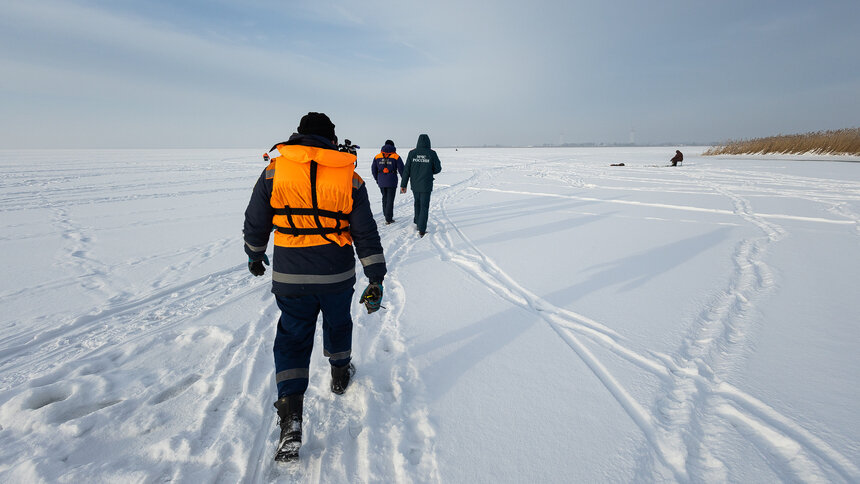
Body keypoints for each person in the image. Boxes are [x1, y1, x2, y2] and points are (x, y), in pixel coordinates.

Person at [242, 112, 386, 461]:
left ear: (298, 136)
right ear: (331, 139)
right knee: (338, 323)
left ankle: (291, 415)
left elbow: (255, 220)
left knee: (292, 337)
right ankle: (339, 373)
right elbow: (365, 231)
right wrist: (375, 275)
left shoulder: (274, 171)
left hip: (290, 276)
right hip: (336, 275)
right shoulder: (348, 177)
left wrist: (255, 254)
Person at [400, 134, 442, 237]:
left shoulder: (412, 153)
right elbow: (438, 169)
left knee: (417, 203)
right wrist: (429, 170)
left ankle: (418, 223)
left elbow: (406, 170)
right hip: (426, 184)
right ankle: (422, 229)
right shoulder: (432, 153)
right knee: (424, 206)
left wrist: (403, 185)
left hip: (415, 184)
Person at [371, 139, 404, 225]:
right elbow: (402, 169)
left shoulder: (377, 156)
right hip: (392, 180)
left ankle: (386, 215)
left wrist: (377, 179)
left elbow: (373, 169)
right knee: (390, 199)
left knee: (384, 197)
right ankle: (388, 218)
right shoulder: (396, 156)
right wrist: (404, 180)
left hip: (381, 180)